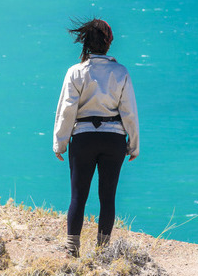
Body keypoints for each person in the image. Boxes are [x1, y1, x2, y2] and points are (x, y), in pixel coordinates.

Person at [53, 17, 139, 258]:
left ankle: (72, 251)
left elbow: (67, 110)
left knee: (78, 196)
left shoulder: (76, 72)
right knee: (108, 197)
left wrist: (60, 143)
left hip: (83, 139)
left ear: (86, 43)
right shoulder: (121, 72)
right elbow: (129, 112)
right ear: (109, 43)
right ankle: (102, 252)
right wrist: (133, 145)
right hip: (113, 140)